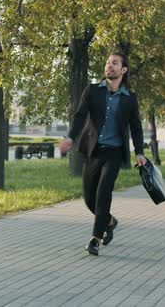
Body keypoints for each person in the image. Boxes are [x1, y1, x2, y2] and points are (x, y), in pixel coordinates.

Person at [59, 52, 146, 256]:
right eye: (108, 62)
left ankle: (95, 239)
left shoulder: (129, 99)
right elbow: (80, 116)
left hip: (114, 153)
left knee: (103, 193)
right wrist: (71, 137)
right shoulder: (93, 91)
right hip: (94, 151)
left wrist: (140, 152)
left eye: (114, 63)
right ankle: (109, 221)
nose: (109, 66)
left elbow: (136, 127)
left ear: (123, 70)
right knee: (89, 198)